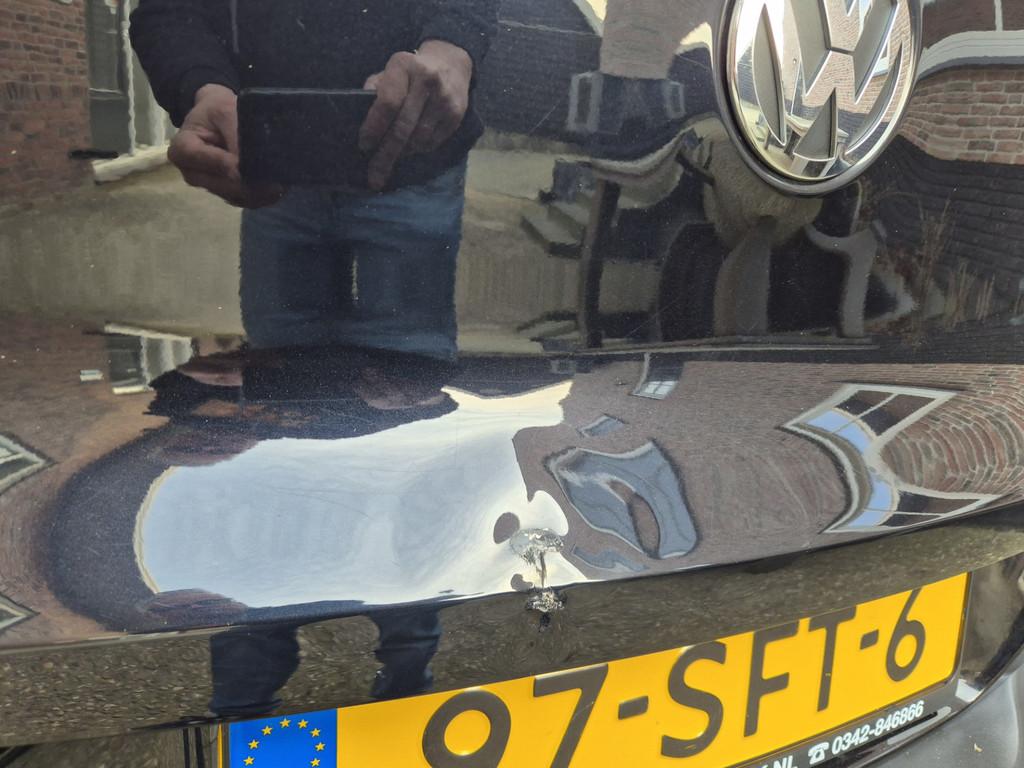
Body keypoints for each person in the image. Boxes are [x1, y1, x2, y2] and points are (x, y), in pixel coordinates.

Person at [129, 0, 499, 360]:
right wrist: (451, 43)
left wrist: (451, 44)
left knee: (288, 376)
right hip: (307, 165)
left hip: (344, 161)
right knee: (397, 375)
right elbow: (169, 10)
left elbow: (169, 11)